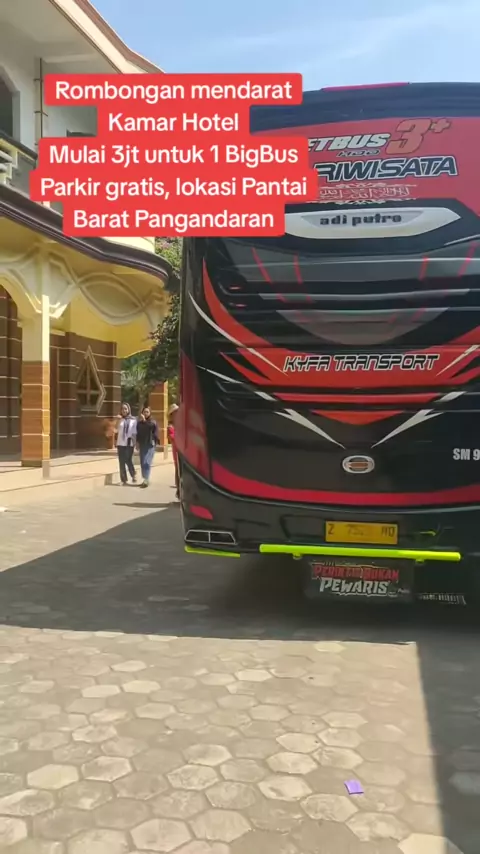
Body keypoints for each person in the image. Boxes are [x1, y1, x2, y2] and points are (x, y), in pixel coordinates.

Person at [136, 405, 159, 488]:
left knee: (147, 462)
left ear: (150, 413)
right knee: (142, 462)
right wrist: (137, 443)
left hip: (150, 444)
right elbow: (138, 433)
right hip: (142, 444)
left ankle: (146, 479)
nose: (145, 413)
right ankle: (145, 479)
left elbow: (150, 427)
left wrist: (144, 421)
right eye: (144, 412)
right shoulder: (139, 423)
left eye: (147, 412)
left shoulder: (152, 421)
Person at [115, 402, 137, 485]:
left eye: (125, 409)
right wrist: (117, 420)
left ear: (128, 410)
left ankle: (133, 474)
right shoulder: (120, 419)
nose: (124, 410)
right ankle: (123, 480)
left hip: (129, 443)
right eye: (122, 409)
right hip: (120, 443)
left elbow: (134, 433)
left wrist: (135, 444)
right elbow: (115, 430)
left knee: (128, 460)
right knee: (121, 461)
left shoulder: (133, 420)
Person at [168, 403, 180, 498]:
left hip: (183, 451)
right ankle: (179, 490)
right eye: (175, 412)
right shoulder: (171, 427)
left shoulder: (181, 424)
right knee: (178, 469)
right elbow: (173, 438)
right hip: (177, 451)